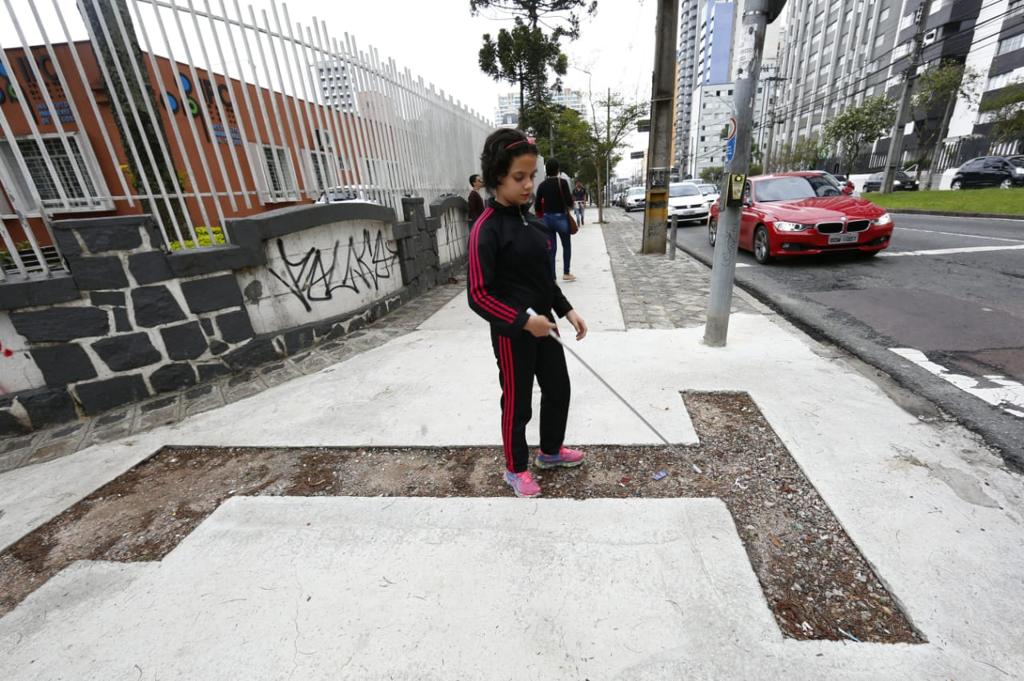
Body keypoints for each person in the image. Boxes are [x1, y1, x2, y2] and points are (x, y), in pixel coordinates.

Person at [467, 128, 589, 499]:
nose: (527, 184)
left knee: (558, 388)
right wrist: (522, 321)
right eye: (519, 177)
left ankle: (550, 452)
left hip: (545, 324)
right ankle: (515, 468)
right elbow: (477, 295)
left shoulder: (533, 224)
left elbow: (545, 281)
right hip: (512, 333)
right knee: (517, 403)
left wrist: (567, 310)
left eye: (531, 175)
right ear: (496, 177)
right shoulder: (484, 231)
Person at [533, 159, 576, 282]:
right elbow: (568, 201)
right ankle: (566, 273)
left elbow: (537, 204)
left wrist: (541, 217)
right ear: (558, 170)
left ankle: (552, 277)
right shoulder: (562, 183)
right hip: (560, 218)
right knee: (566, 245)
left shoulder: (542, 185)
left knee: (551, 248)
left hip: (547, 219)